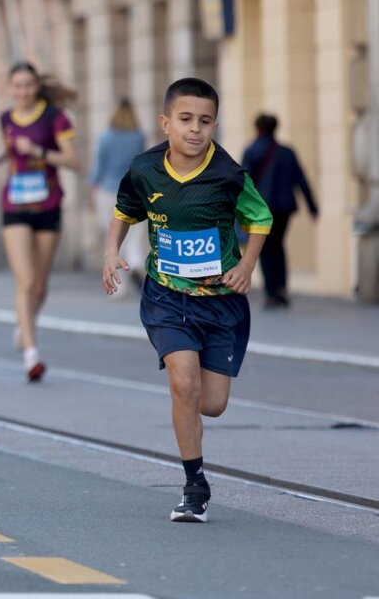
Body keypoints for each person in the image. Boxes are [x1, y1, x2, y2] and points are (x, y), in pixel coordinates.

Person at [104, 77, 271, 523]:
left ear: (214, 125)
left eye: (205, 121)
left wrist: (247, 265)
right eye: (185, 120)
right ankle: (194, 484)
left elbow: (261, 219)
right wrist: (110, 252)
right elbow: (123, 211)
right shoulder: (144, 169)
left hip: (221, 302)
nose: (195, 130)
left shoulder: (229, 174)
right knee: (183, 382)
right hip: (166, 295)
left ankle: (188, 403)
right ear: (166, 123)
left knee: (210, 403)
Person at [0, 61, 80, 383]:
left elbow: (73, 160)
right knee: (24, 280)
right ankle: (31, 354)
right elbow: (6, 147)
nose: (22, 91)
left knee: (39, 282)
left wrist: (38, 150)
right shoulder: (6, 119)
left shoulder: (55, 118)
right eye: (17, 86)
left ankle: (24, 323)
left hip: (48, 205)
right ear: (10, 88)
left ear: (36, 87)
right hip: (15, 205)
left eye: (28, 85)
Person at [241, 114, 318, 309]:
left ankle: (271, 292)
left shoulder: (252, 151)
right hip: (284, 208)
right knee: (278, 247)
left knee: (266, 249)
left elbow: (243, 182)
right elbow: (301, 179)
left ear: (258, 129)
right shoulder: (287, 152)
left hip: (261, 209)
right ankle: (281, 289)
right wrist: (312, 206)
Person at [90, 99, 148, 297]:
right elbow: (142, 165)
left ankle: (119, 287)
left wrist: (92, 192)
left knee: (114, 237)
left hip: (107, 192)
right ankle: (137, 261)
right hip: (134, 191)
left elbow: (99, 167)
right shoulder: (138, 137)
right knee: (135, 236)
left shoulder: (106, 138)